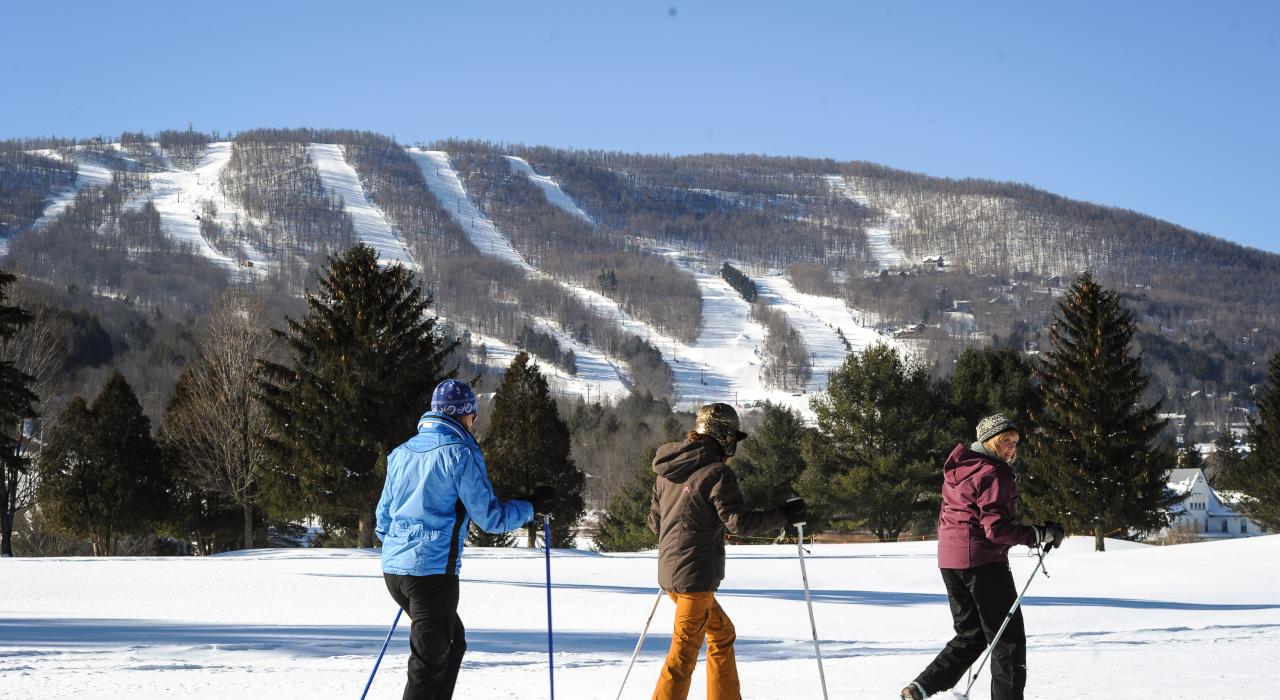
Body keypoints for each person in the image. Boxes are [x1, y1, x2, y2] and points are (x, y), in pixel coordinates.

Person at [375, 379, 555, 700]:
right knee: (428, 663)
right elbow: (490, 517)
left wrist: (404, 553)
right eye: (474, 416)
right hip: (431, 575)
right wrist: (532, 506)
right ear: (465, 415)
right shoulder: (459, 453)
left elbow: (383, 520)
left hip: (396, 572)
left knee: (452, 643)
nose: (475, 423)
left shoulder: (401, 453)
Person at [648, 402, 806, 700]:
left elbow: (656, 523)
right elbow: (740, 522)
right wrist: (784, 515)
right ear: (724, 437)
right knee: (682, 655)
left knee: (722, 634)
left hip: (671, 575)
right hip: (695, 580)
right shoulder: (717, 473)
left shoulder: (667, 471)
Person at [901, 414, 1064, 700]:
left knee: (971, 635)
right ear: (988, 440)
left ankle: (920, 687)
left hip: (950, 561)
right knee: (1008, 642)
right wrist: (1039, 534)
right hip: (983, 563)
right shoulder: (994, 472)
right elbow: (997, 530)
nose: (1011, 449)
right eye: (1005, 441)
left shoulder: (960, 469)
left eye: (1014, 443)